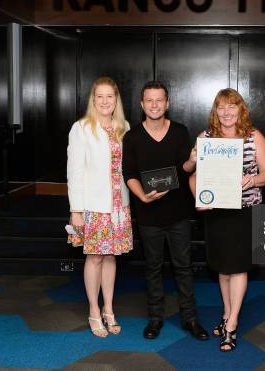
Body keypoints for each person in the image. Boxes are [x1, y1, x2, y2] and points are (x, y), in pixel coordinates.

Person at [186, 88, 265, 352]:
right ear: (215, 111)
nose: (226, 112)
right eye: (221, 107)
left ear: (240, 109)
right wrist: (198, 193)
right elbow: (190, 175)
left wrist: (253, 179)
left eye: (231, 107)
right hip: (217, 212)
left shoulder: (253, 136)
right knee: (222, 268)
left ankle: (233, 323)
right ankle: (226, 314)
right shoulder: (206, 138)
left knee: (239, 267)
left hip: (245, 210)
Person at [122, 81, 208, 341]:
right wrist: (142, 197)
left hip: (179, 213)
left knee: (184, 267)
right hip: (148, 214)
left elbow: (184, 169)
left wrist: (193, 160)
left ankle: (190, 319)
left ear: (167, 103)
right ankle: (155, 319)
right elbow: (129, 174)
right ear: (141, 104)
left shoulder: (181, 132)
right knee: (153, 268)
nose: (155, 105)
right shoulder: (132, 136)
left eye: (159, 100)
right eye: (149, 100)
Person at [67, 76, 133, 338]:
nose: (105, 101)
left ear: (116, 99)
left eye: (110, 96)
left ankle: (109, 309)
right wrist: (77, 210)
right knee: (94, 257)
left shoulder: (124, 127)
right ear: (93, 100)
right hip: (93, 207)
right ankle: (94, 311)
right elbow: (75, 172)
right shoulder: (82, 128)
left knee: (111, 257)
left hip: (120, 205)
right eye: (100, 96)